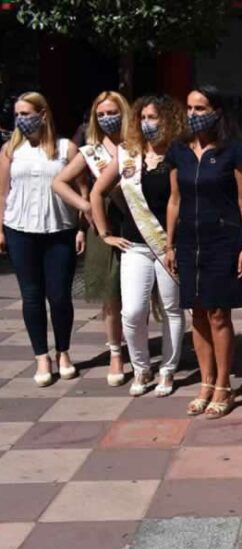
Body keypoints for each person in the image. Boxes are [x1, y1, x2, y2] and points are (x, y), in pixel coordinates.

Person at [71, 95, 187, 397]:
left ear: (167, 120)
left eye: (153, 118)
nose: (147, 124)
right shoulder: (128, 155)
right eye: (143, 118)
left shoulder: (177, 154)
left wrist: (173, 244)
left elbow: (178, 201)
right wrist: (104, 233)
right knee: (133, 311)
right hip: (135, 245)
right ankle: (141, 367)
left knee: (172, 309)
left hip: (169, 245)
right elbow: (97, 193)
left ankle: (168, 370)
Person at [165, 85, 242, 418]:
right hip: (189, 241)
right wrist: (170, 244)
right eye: (189, 108)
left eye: (200, 109)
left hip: (223, 240)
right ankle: (205, 382)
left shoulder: (235, 149)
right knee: (197, 313)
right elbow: (174, 200)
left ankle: (223, 385)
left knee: (218, 313)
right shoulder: (178, 150)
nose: (192, 115)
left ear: (217, 112)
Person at [0, 92, 83, 386]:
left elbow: (82, 190)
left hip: (59, 231)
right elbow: (3, 193)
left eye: (26, 113)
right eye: (17, 115)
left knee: (59, 296)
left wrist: (82, 228)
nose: (21, 119)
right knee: (32, 296)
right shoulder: (10, 150)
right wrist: (1, 229)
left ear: (43, 114)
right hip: (20, 230)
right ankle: (41, 357)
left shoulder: (66, 148)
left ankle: (63, 352)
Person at [52, 91, 129, 386]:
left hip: (135, 221)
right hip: (104, 222)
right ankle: (115, 353)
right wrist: (85, 207)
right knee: (110, 294)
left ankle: (138, 349)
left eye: (112, 112)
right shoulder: (91, 151)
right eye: (101, 114)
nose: (107, 118)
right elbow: (59, 182)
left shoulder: (136, 145)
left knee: (138, 293)